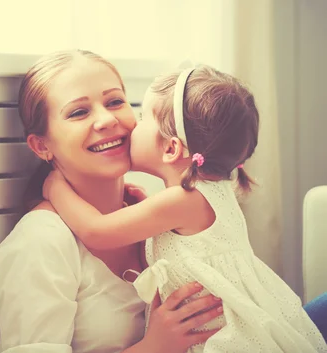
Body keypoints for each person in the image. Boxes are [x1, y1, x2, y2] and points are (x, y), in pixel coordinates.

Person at [43, 65, 327, 352]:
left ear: (171, 149)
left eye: (143, 118)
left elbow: (96, 232)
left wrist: (54, 187)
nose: (133, 127)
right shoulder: (205, 193)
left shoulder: (183, 199)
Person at [0, 50, 224, 353]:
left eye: (115, 102)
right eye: (78, 112)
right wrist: (153, 347)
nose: (106, 119)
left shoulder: (156, 221)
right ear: (41, 145)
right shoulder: (42, 242)